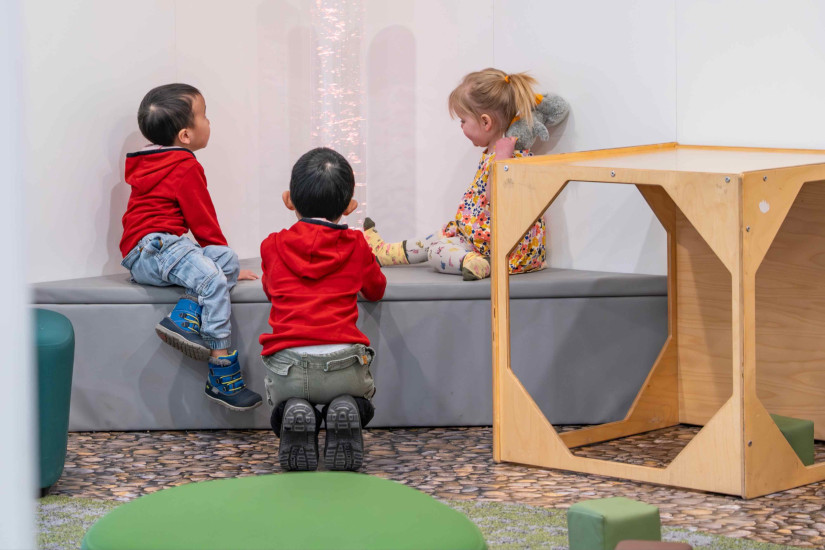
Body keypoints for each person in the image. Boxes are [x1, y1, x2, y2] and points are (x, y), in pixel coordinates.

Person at [119, 83, 262, 411]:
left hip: (154, 252)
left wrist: (229, 265)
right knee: (214, 275)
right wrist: (220, 270)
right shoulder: (185, 165)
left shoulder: (153, 161)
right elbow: (203, 222)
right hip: (153, 248)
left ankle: (185, 317)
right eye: (204, 116)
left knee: (225, 259)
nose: (209, 123)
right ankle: (222, 369)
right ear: (185, 135)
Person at [364, 68, 568, 280]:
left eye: (463, 121)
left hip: (503, 252)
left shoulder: (509, 156)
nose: (461, 127)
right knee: (436, 238)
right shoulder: (496, 152)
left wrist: (502, 161)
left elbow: (495, 197)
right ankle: (386, 253)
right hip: (479, 240)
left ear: (485, 122)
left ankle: (473, 263)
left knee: (436, 250)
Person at [259, 147, 386, 472]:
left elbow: (270, 289)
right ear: (349, 207)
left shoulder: (272, 245)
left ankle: (295, 411)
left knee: (284, 404)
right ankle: (348, 408)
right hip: (343, 366)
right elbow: (376, 289)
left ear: (289, 199)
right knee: (362, 400)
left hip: (288, 365)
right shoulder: (357, 244)